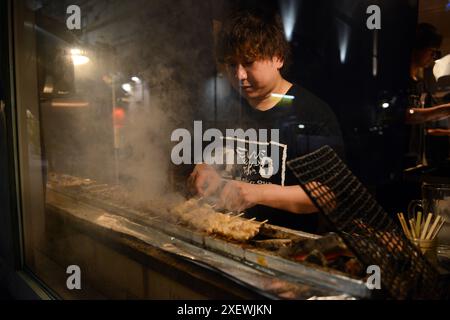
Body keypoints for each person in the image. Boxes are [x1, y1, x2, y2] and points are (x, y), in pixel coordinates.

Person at [187, 11, 344, 233]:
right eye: (232, 65)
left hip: (282, 247)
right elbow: (212, 159)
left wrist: (259, 193)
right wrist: (204, 168)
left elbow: (327, 195)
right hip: (221, 233)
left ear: (277, 58)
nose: (239, 75)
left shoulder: (312, 113)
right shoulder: (224, 106)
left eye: (249, 62)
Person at [404, 23, 450, 169]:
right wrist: (447, 109)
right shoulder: (398, 82)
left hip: (415, 160)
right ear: (416, 49)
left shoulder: (421, 84)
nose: (433, 56)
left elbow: (430, 120)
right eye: (431, 51)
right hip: (398, 161)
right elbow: (407, 115)